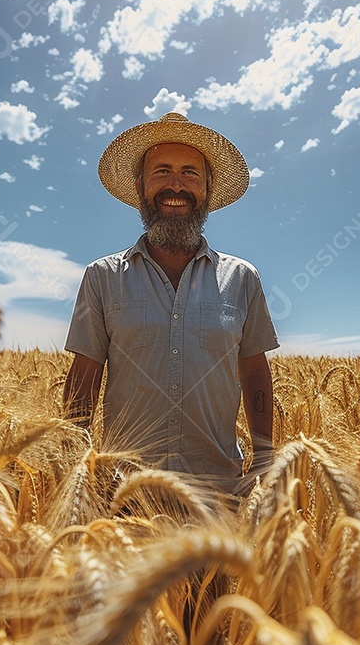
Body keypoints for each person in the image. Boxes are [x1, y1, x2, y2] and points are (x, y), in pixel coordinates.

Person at [63, 111, 279, 496]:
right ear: (140, 185)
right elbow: (85, 373)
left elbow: (254, 370)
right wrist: (73, 457)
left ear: (208, 190)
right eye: (161, 171)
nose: (175, 186)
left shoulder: (242, 278)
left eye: (190, 174)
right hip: (125, 496)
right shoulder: (102, 276)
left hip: (220, 491)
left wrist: (264, 456)